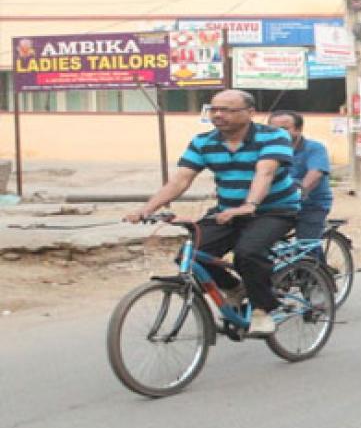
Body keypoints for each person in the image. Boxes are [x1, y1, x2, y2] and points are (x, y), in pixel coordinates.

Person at [124, 90, 299, 335]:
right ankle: (234, 289)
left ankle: (262, 309)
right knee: (190, 254)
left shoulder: (273, 136)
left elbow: (265, 172)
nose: (218, 115)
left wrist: (250, 205)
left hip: (275, 210)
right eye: (214, 109)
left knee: (247, 252)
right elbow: (181, 180)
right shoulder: (203, 142)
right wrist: (146, 209)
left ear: (250, 113)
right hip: (226, 212)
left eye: (227, 110)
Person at [268, 110, 332, 259]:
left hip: (311, 205)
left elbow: (315, 173)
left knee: (306, 245)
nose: (277, 133)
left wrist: (298, 193)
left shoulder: (314, 148)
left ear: (298, 129)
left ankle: (319, 277)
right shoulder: (267, 150)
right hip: (277, 205)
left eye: (284, 128)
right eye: (272, 128)